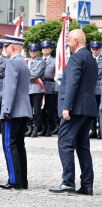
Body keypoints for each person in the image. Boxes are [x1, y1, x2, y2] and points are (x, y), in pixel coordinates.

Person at [49, 29, 97, 196]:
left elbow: (73, 83)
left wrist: (66, 107)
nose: (67, 44)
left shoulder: (77, 57)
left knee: (64, 143)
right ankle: (87, 185)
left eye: (68, 41)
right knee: (83, 147)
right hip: (88, 109)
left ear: (76, 40)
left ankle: (68, 181)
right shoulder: (91, 58)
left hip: (75, 109)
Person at [0, 35, 32, 190]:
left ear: (13, 47)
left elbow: (10, 89)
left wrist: (6, 109)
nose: (4, 50)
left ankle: (14, 180)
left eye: (6, 46)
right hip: (23, 110)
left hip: (13, 111)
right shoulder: (23, 63)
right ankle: (23, 180)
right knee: (19, 146)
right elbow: (12, 88)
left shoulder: (11, 63)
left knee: (9, 146)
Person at [25, 44, 45, 138]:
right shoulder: (26, 61)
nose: (32, 52)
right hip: (27, 88)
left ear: (38, 52)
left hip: (37, 88)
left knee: (36, 110)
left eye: (34, 51)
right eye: (31, 51)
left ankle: (36, 129)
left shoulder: (42, 62)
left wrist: (26, 76)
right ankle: (29, 128)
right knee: (28, 109)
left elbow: (37, 74)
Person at [39, 40, 57, 136]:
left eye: (47, 48)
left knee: (49, 109)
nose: (45, 50)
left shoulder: (54, 61)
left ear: (50, 50)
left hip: (50, 86)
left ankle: (49, 129)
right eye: (44, 48)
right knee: (41, 109)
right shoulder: (38, 60)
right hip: (39, 86)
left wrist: (56, 89)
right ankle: (43, 128)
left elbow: (57, 75)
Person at [89, 41, 102, 139]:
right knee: (91, 111)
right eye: (93, 49)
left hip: (99, 88)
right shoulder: (88, 59)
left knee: (99, 110)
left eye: (97, 49)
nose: (95, 51)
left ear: (100, 49)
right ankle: (92, 130)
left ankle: (100, 131)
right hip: (89, 89)